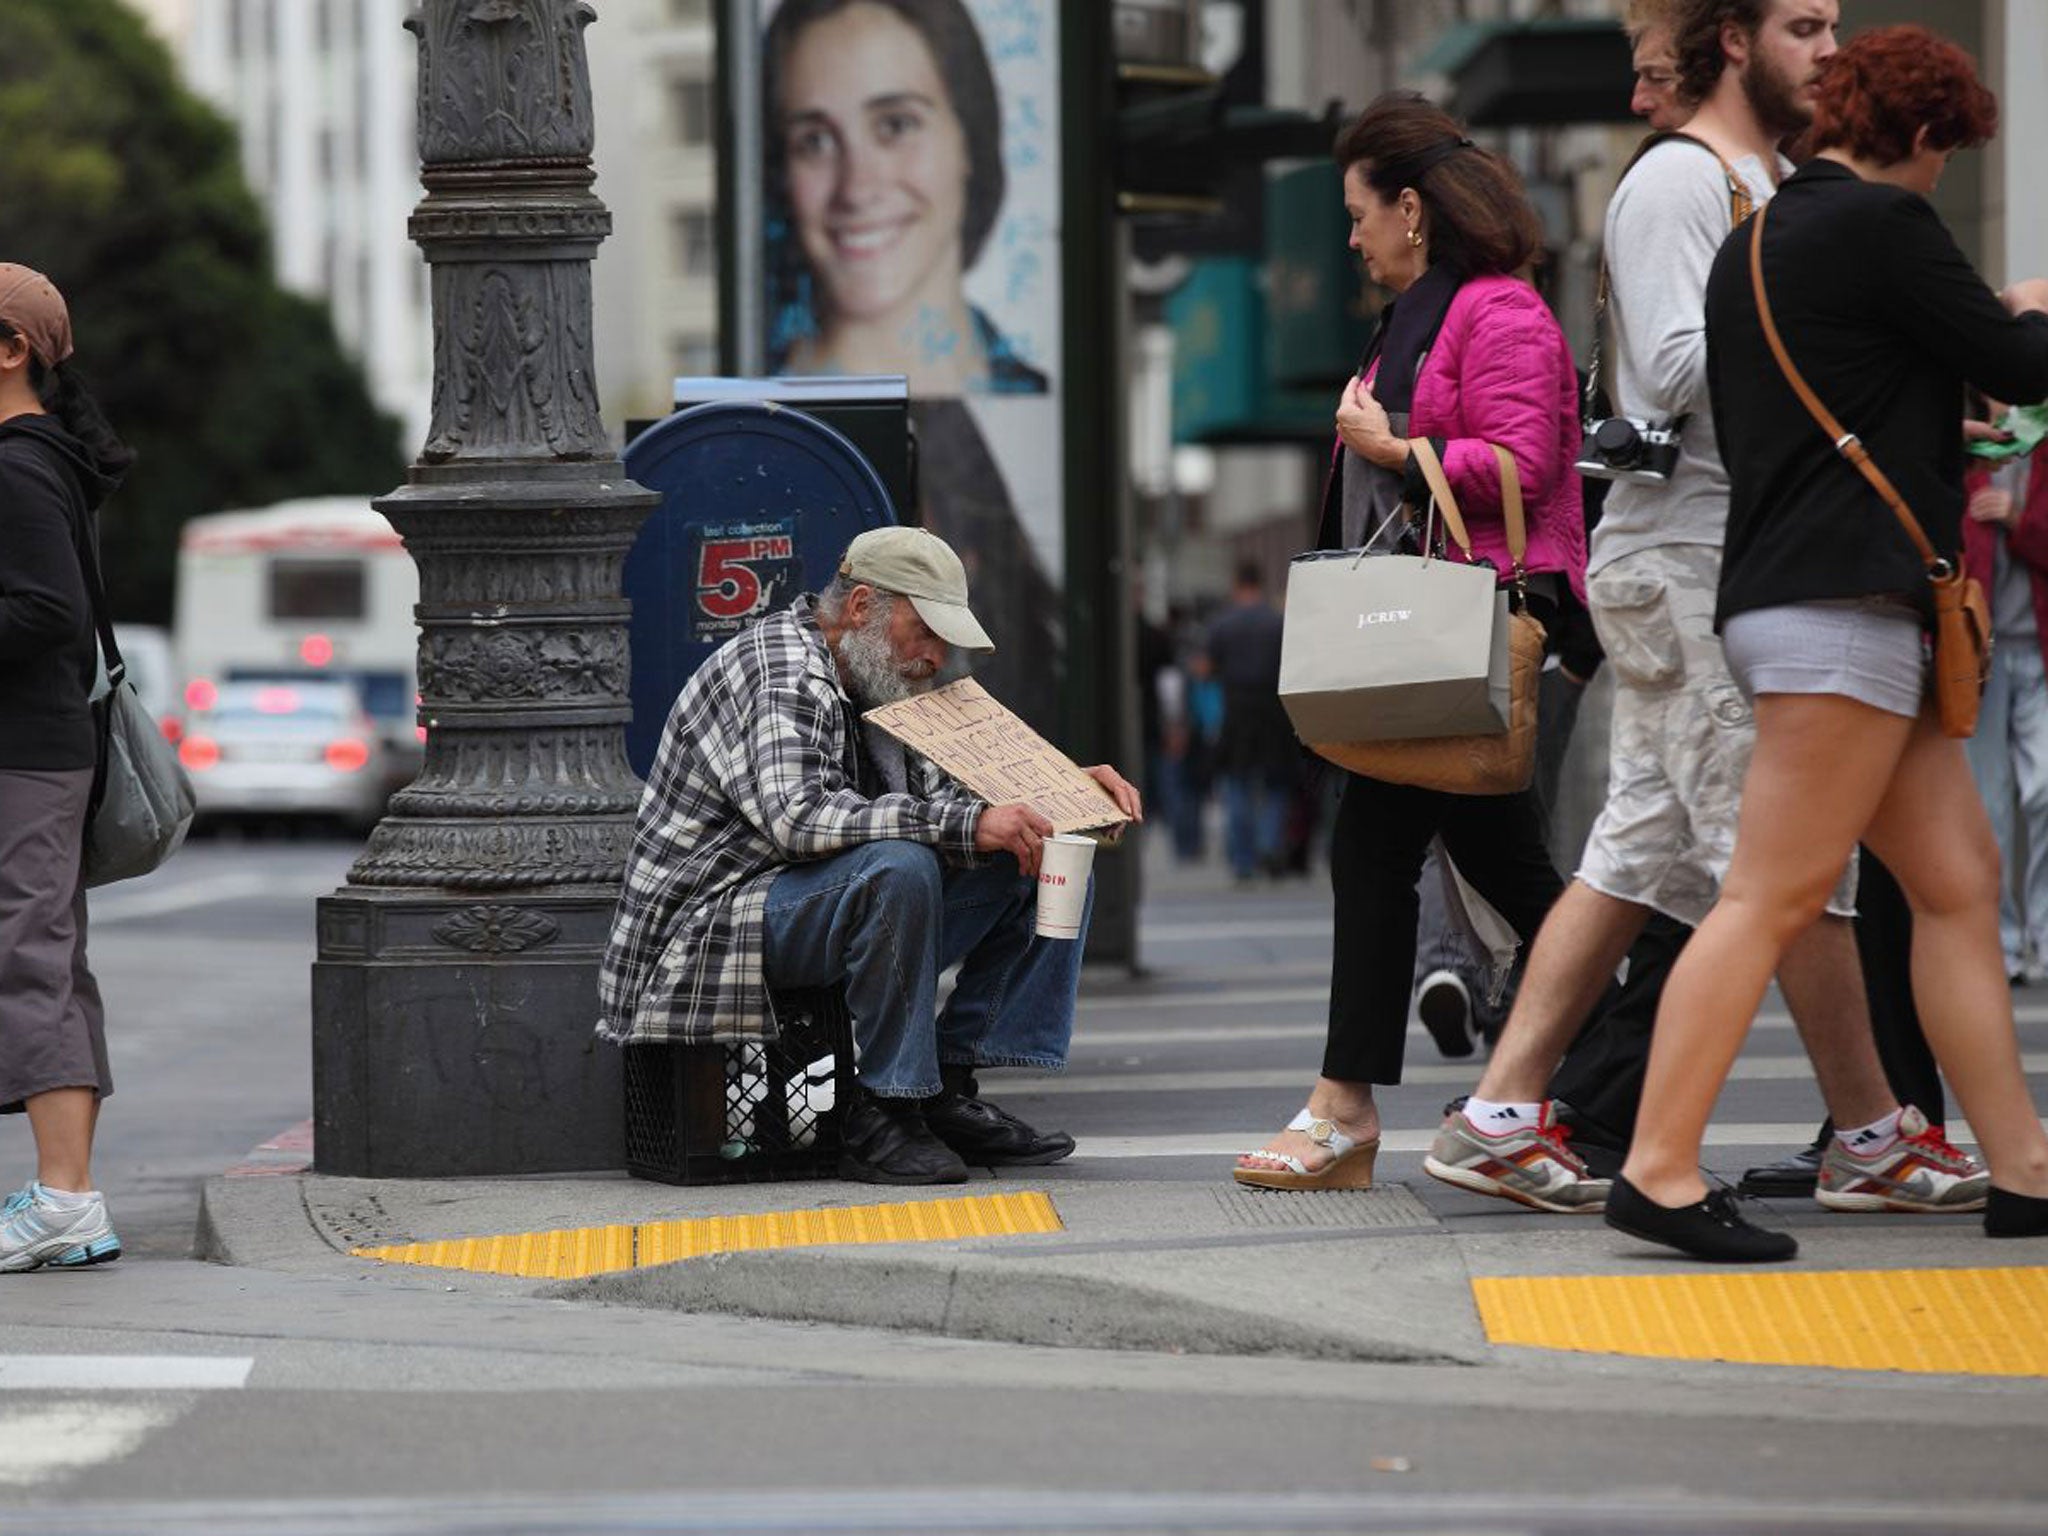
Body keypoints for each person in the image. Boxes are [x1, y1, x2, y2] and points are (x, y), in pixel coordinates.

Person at [1421, 0, 1980, 1225]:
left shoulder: (1764, 178)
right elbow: (1672, 366)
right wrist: (1845, 360)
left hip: (1710, 552)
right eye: (1802, 24)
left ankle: (1503, 1112)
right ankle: (1873, 1135)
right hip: (1688, 552)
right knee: (1780, 872)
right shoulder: (1679, 183)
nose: (1830, 48)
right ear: (1732, 41)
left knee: (1645, 850)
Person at [1610, 24, 2048, 1260]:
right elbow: (2012, 363)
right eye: (1944, 155)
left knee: (1956, 887)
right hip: (1842, 611)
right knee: (1766, 896)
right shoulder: (1879, 226)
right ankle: (1656, 1169)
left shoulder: (1758, 241)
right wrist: (2027, 304)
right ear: (1917, 135)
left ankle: (2020, 1166)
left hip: (1793, 596)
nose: (1940, 179)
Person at [1233, 94, 1587, 1190]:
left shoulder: (1499, 314)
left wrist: (1397, 445)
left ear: (1410, 210)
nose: (1349, 238)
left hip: (1471, 621)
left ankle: (1342, 1111)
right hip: (1431, 624)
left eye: (1356, 214)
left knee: (1372, 848)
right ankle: (1623, 1055)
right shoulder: (1421, 319)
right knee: (1511, 870)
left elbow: (1524, 468)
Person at [598, 526, 1142, 1186]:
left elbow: (959, 799)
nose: (936, 657)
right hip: (715, 927)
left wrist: (1063, 795)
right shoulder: (779, 671)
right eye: (926, 633)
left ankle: (945, 1084)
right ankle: (882, 1111)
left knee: (1040, 853)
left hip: (812, 899)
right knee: (900, 866)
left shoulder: (882, 681)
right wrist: (974, 823)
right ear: (861, 608)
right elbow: (799, 821)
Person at [762, 0, 1060, 736]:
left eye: (895, 124)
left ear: (971, 137)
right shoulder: (768, 431)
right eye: (813, 139)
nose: (857, 184)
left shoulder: (1031, 421)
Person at [0, 263, 132, 1272]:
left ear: (12, 351)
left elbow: (49, 611)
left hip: (26, 754)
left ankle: (63, 1199)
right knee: (49, 958)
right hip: (43, 750)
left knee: (30, 961)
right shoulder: (39, 458)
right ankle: (65, 1197)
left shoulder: (14, 463)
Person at [1961, 413, 2048, 986]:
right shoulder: (1959, 447)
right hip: (1975, 660)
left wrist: (2015, 518)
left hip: (2039, 650)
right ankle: (2003, 945)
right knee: (1986, 808)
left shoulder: (2040, 452)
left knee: (2045, 793)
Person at [1203, 562, 1293, 882]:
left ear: (1237, 584)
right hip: (1274, 709)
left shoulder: (1222, 624)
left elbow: (1205, 668)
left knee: (1238, 784)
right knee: (1276, 785)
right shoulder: (1278, 623)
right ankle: (1270, 843)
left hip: (1237, 710)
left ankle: (1243, 859)